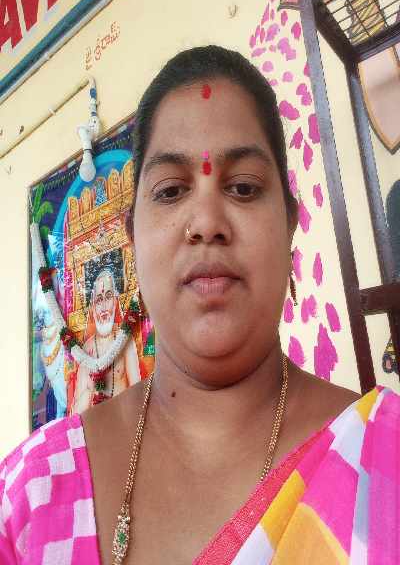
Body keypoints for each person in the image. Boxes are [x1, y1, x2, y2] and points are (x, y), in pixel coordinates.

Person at [0, 45, 399, 564]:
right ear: (132, 237)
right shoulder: (29, 498)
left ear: (289, 224)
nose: (207, 222)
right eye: (170, 191)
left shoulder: (386, 463)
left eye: (243, 187)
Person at [71, 268, 141, 414]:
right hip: (95, 422)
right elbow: (76, 413)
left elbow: (138, 394)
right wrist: (90, 388)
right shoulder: (87, 348)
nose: (103, 307)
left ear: (115, 302)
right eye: (99, 300)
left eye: (108, 297)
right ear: (93, 307)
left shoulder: (125, 341)